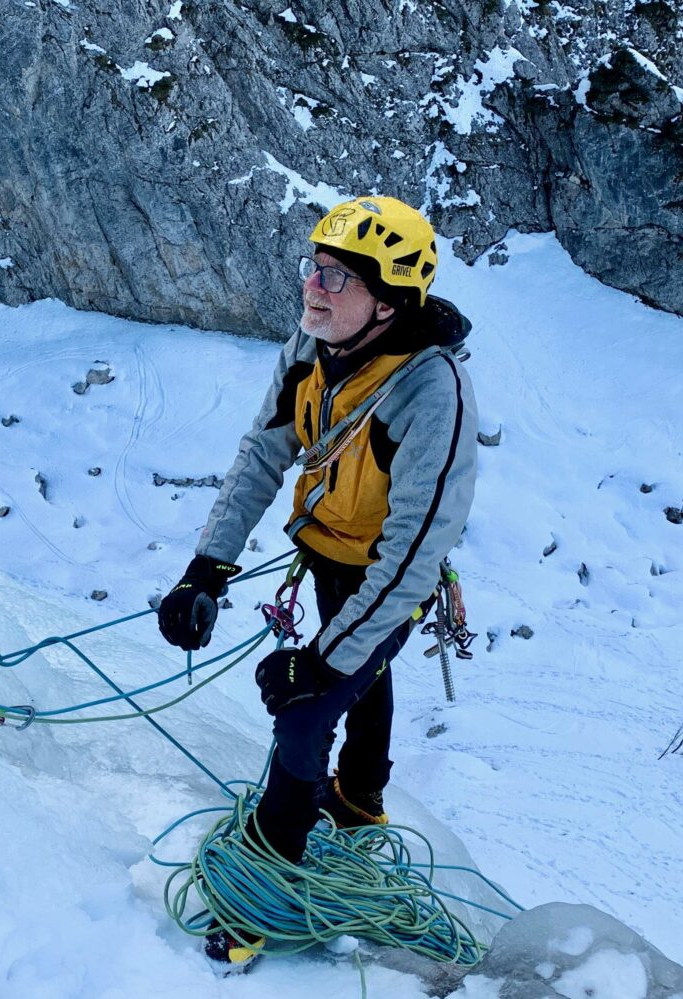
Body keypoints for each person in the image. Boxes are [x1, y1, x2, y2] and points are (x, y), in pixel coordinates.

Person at [155, 195, 479, 967]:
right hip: (331, 549)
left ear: (390, 301)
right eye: (315, 268)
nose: (314, 287)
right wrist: (206, 568)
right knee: (356, 685)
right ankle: (359, 800)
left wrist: (321, 661)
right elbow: (263, 453)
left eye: (338, 277)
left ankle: (269, 887)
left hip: (389, 577)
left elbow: (411, 553)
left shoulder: (431, 393)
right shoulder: (312, 347)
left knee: (305, 712)